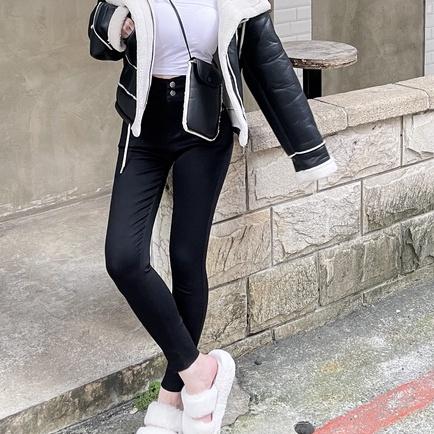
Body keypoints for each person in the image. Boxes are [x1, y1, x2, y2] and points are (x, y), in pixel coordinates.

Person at [87, 0, 337, 432]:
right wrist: (117, 24)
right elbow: (98, 39)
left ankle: (172, 396)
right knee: (123, 259)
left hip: (203, 129)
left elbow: (269, 64)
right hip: (143, 127)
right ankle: (202, 372)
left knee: (186, 259)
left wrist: (309, 151)